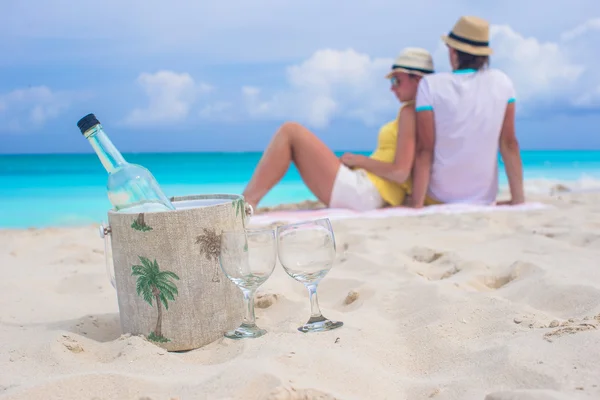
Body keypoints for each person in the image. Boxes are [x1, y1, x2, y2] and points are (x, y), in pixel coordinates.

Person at [242, 48, 435, 211]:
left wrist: (359, 160)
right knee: (291, 134)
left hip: (366, 193)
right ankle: (245, 204)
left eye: (397, 81)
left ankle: (244, 206)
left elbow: (400, 172)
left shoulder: (409, 112)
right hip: (369, 192)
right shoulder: (423, 115)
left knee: (290, 132)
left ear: (417, 80)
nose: (392, 88)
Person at [411, 16, 525, 208]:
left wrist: (416, 207)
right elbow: (509, 144)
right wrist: (518, 201)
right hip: (484, 199)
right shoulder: (502, 82)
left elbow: (425, 150)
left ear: (453, 51)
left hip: (438, 197)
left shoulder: (430, 85)